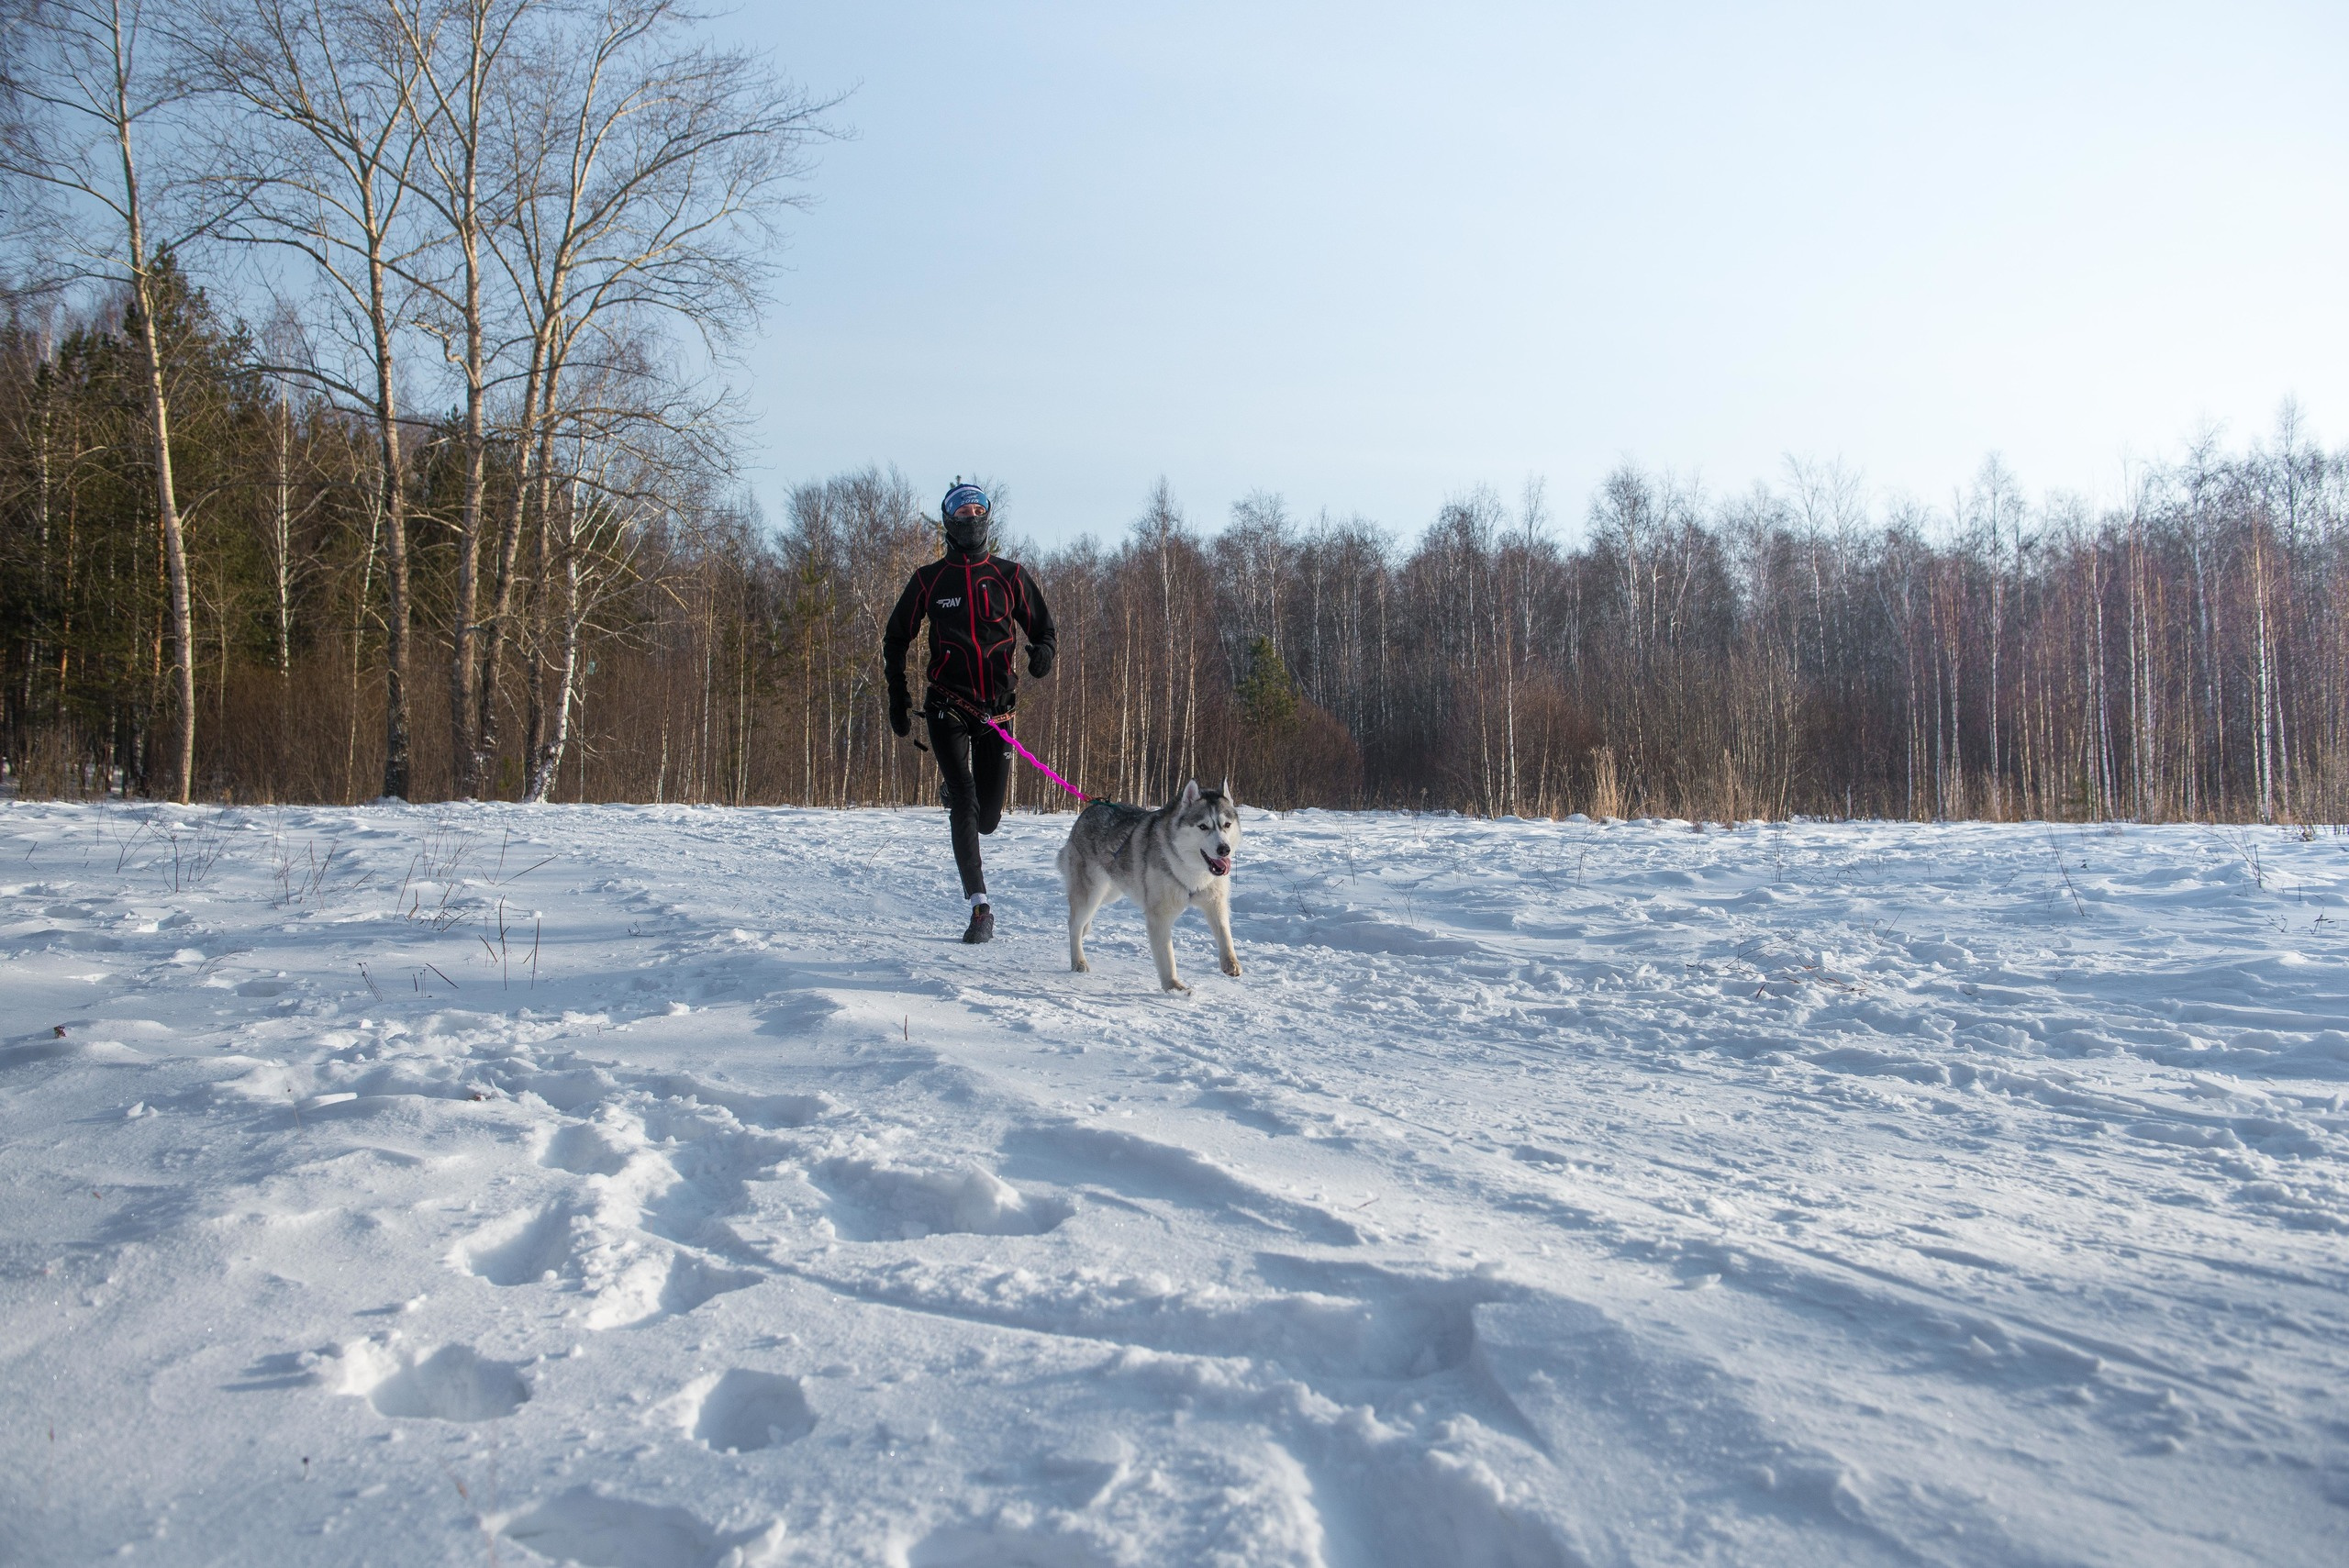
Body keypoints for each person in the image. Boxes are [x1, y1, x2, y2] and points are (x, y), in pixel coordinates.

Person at [883, 480, 1057, 943]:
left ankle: (962, 796)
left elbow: (1044, 630)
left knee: (987, 819)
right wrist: (896, 697)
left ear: (988, 519)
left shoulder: (1010, 575)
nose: (971, 516)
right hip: (948, 705)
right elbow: (895, 639)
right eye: (962, 512)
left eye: (978, 509)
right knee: (964, 797)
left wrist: (1043, 653)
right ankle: (980, 907)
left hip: (998, 714)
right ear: (949, 523)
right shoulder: (929, 580)